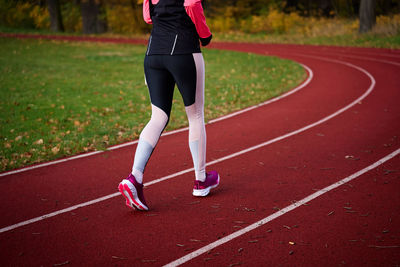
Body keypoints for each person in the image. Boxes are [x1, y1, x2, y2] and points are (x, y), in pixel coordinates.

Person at [118, 0, 220, 211]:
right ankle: (201, 180)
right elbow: (192, 5)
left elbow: (148, 17)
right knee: (195, 115)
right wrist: (205, 35)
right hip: (183, 51)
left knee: (158, 116)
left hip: (153, 54)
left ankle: (134, 177)